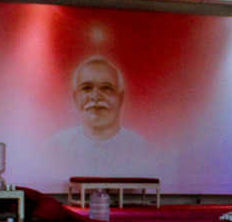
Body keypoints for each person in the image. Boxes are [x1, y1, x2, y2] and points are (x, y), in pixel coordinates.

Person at [45, 55, 163, 184]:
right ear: (75, 97)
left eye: (106, 88)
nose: (95, 97)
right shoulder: (56, 147)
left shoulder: (140, 149)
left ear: (121, 97)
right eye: (86, 88)